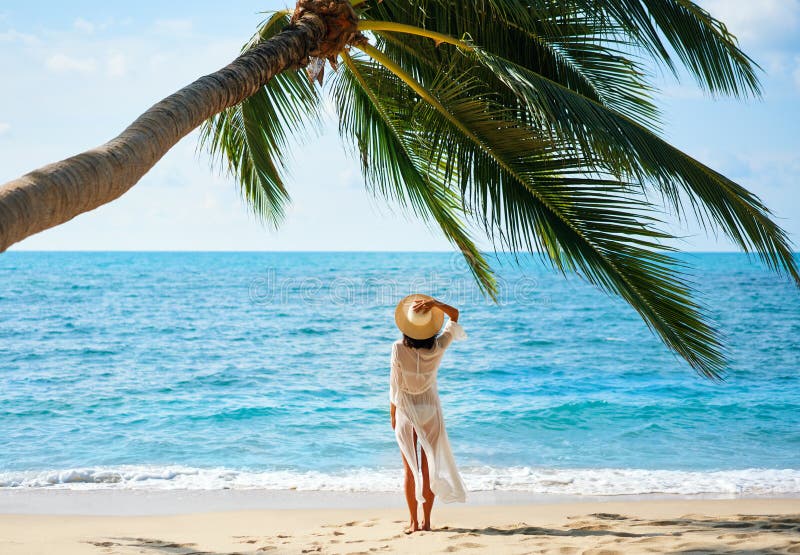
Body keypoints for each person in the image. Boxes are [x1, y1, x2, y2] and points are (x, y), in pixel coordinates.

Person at [390, 294, 467, 534]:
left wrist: (393, 416)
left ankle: (413, 523)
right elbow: (455, 315)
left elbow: (394, 386)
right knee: (429, 466)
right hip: (430, 410)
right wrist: (435, 304)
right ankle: (428, 522)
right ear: (430, 328)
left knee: (411, 471)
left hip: (406, 410)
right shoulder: (439, 346)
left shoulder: (398, 348)